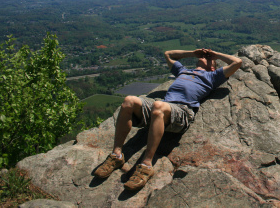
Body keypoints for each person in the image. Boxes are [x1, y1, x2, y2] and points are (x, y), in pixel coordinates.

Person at [93, 48, 242, 191]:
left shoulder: (213, 76)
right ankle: (116, 155)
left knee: (158, 106)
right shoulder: (183, 71)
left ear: (212, 67)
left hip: (182, 113)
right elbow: (168, 54)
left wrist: (215, 55)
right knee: (129, 101)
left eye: (209, 59)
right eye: (204, 56)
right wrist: (193, 53)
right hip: (163, 109)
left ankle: (146, 166)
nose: (205, 57)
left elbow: (237, 62)